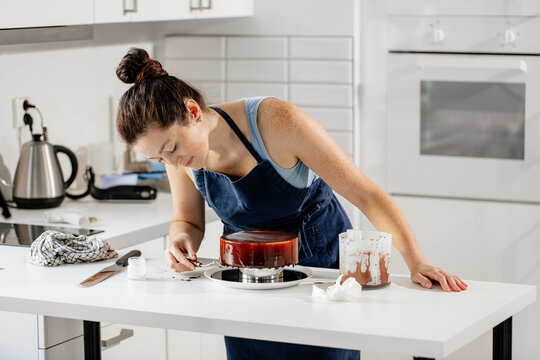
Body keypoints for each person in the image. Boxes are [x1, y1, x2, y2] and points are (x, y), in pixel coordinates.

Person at [115, 48, 468, 360]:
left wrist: (417, 261)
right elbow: (188, 221)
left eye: (172, 149)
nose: (172, 164)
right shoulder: (181, 159)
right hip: (248, 283)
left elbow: (366, 195)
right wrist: (182, 238)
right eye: (160, 159)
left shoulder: (273, 121)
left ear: (192, 111)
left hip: (319, 279)